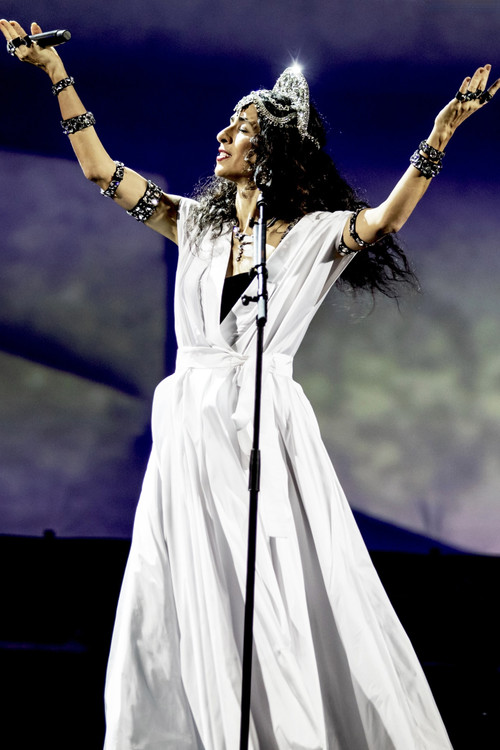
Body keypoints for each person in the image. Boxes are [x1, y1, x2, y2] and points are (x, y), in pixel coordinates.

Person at [2, 18, 498, 750]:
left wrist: (440, 134)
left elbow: (386, 221)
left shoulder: (315, 235)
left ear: (269, 150)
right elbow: (101, 173)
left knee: (267, 586)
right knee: (186, 582)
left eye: (239, 128)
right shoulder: (195, 225)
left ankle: (284, 729)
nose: (222, 136)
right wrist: (55, 76)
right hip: (190, 422)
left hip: (263, 420)